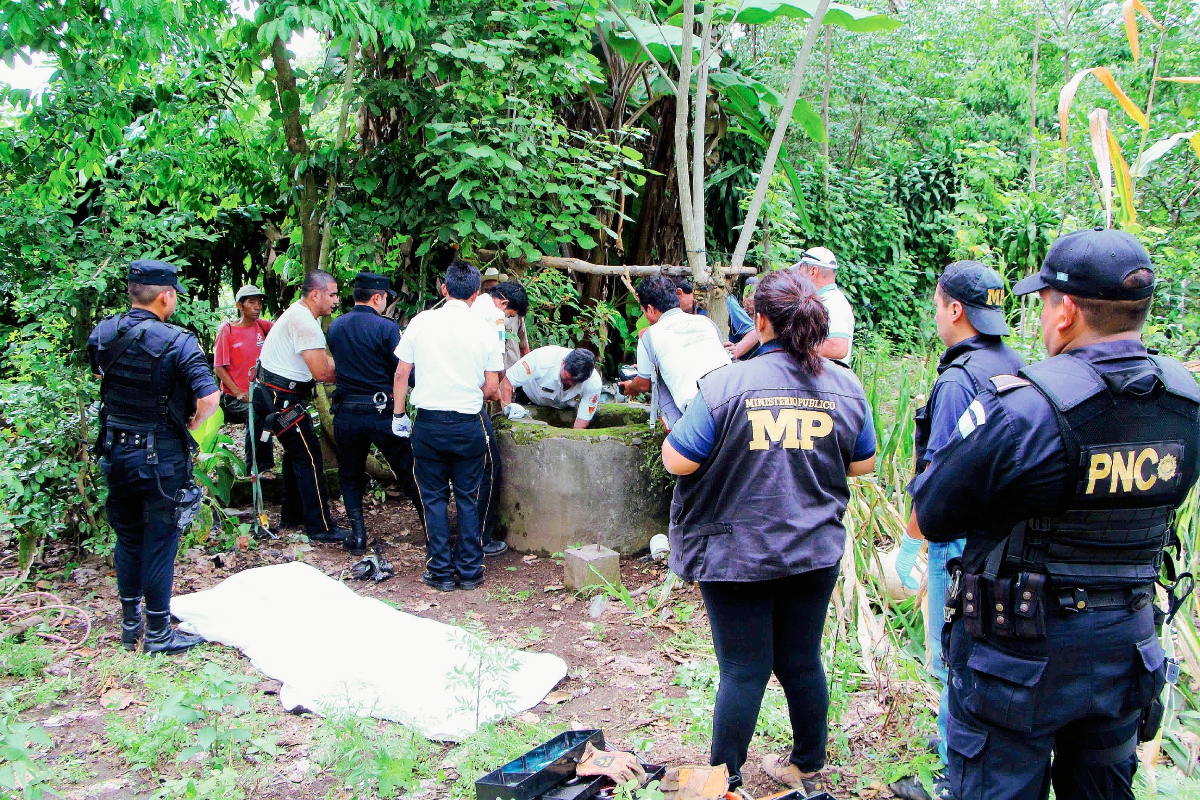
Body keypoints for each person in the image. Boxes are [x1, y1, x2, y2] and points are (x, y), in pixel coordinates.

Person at [911, 228, 1200, 800]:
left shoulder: (1024, 406)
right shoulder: (1184, 398)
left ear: (1065, 311)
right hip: (1127, 644)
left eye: (1043, 304)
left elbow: (936, 511)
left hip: (1019, 653)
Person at [661, 268, 877, 793]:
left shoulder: (726, 385)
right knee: (801, 657)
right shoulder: (845, 385)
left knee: (742, 667)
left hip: (736, 552)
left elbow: (677, 461)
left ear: (760, 322)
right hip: (813, 551)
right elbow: (863, 463)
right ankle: (806, 762)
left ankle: (725, 780)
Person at [889, 261, 1025, 797]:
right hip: (1002, 540)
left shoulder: (958, 380)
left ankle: (953, 770)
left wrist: (911, 540)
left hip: (958, 542)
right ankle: (958, 736)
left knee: (951, 652)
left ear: (955, 309)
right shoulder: (1015, 364)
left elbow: (939, 476)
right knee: (978, 649)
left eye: (937, 305)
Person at [88, 260, 220, 654]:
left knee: (128, 537)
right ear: (167, 296)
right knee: (160, 539)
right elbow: (209, 398)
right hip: (160, 456)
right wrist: (191, 420)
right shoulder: (178, 341)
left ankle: (131, 626)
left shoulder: (104, 332)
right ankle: (159, 632)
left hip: (115, 450)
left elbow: (100, 374)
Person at [392, 261, 504, 591]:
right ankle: (470, 571)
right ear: (476, 293)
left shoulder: (420, 322)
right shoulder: (484, 328)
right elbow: (493, 386)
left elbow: (401, 374)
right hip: (469, 424)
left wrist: (399, 416)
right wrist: (469, 393)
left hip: (429, 425)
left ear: (444, 289)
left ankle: (439, 571)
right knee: (469, 498)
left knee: (434, 499)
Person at [327, 272, 424, 556]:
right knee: (408, 468)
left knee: (350, 473)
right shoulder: (386, 328)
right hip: (380, 411)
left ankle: (358, 536)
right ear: (377, 297)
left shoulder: (335, 326)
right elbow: (401, 368)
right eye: (385, 298)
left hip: (345, 414)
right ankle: (432, 530)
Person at [254, 270, 349, 543]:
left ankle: (292, 515)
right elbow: (322, 371)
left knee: (297, 454)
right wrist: (358, 371)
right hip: (280, 399)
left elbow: (323, 364)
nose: (335, 300)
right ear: (315, 294)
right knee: (308, 457)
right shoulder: (305, 322)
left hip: (277, 395)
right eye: (332, 294)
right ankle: (320, 526)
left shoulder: (299, 314)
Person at [619, 275, 731, 429]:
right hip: (735, 399)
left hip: (702, 411)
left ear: (650, 309)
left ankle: (676, 429)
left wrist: (629, 387)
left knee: (658, 382)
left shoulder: (649, 335)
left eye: (644, 311)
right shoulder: (706, 322)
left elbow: (643, 386)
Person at [471, 281, 529, 557]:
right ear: (504, 304)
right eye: (510, 315)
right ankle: (481, 538)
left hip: (436, 408)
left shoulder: (468, 308)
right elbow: (492, 377)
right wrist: (497, 395)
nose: (508, 320)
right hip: (471, 406)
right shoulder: (493, 317)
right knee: (489, 468)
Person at [729, 248, 854, 362]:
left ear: (813, 271)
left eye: (801, 270)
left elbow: (838, 348)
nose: (798, 277)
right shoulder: (823, 299)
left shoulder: (832, 301)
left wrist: (791, 347)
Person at [213, 285, 275, 478]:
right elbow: (218, 367)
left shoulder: (263, 327)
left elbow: (285, 332)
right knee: (256, 415)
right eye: (251, 302)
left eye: (259, 302)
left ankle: (268, 466)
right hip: (233, 397)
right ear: (240, 306)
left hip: (260, 394)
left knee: (270, 415)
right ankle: (257, 468)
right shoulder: (228, 330)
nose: (257, 306)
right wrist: (238, 392)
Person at [501, 346, 602, 429]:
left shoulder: (593, 383)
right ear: (563, 362)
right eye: (566, 378)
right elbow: (507, 382)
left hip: (565, 407)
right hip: (529, 396)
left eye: (575, 382)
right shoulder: (540, 359)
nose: (570, 383)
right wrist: (507, 409)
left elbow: (582, 420)